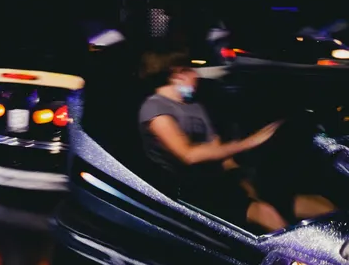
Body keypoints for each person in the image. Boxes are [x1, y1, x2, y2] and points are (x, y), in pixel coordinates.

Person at [139, 51, 333, 232]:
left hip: (220, 183)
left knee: (315, 203)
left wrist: (244, 182)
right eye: (190, 71)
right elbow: (189, 155)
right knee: (265, 212)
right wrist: (249, 142)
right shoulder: (154, 107)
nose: (196, 77)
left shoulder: (194, 106)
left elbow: (220, 152)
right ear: (177, 75)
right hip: (188, 190)